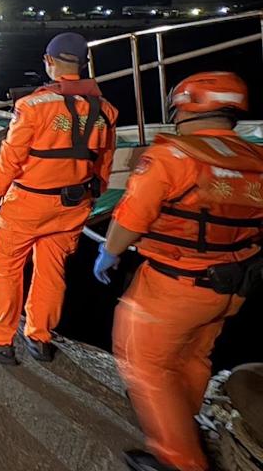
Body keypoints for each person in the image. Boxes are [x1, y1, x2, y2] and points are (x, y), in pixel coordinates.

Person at [94, 72, 262, 471]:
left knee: (144, 362)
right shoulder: (257, 160)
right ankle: (183, 424)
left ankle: (180, 459)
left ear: (184, 106)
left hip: (174, 285)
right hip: (234, 286)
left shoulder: (171, 158)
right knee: (193, 356)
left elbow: (132, 219)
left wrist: (110, 251)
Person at [0, 32, 117, 364]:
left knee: (7, 269)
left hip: (27, 203)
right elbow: (104, 164)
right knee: (51, 271)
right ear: (83, 65)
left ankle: (0, 337)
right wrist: (91, 196)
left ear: (50, 62)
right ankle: (39, 337)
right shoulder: (106, 111)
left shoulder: (32, 106)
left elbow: (11, 157)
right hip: (72, 206)